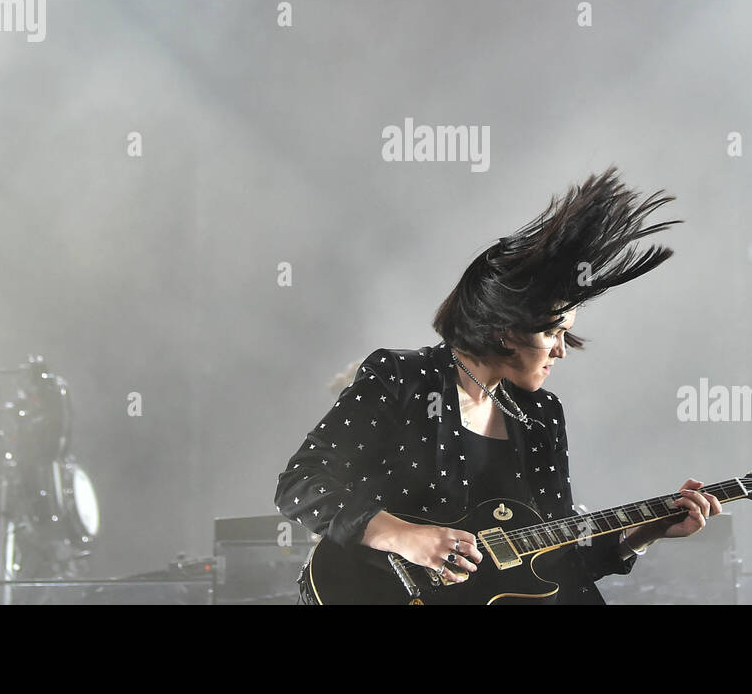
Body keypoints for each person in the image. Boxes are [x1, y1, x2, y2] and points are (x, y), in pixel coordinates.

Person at [273, 166, 722, 603]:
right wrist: (404, 537)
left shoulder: (541, 414)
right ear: (506, 329)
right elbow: (301, 484)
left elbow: (557, 562)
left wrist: (642, 534)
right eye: (554, 333)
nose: (562, 351)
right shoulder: (400, 377)